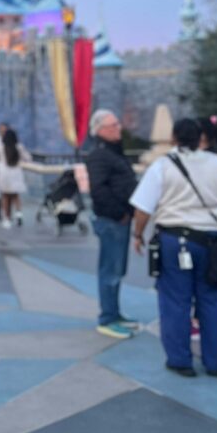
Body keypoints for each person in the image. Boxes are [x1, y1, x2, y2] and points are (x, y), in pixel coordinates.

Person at [130, 118, 217, 377]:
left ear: (174, 138)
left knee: (175, 302)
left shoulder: (162, 167)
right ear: (200, 138)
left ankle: (180, 360)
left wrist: (138, 235)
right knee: (214, 301)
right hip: (213, 242)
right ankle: (216, 362)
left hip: (174, 241)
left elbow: (143, 208)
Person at [85, 109, 139, 340]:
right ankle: (107, 317)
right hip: (111, 220)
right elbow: (98, 190)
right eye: (113, 125)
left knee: (117, 268)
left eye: (117, 124)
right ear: (100, 130)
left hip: (120, 219)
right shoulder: (99, 155)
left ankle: (114, 313)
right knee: (110, 269)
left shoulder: (113, 152)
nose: (118, 128)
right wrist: (120, 213)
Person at [0, 128, 30, 227]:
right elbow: (28, 158)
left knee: (5, 196)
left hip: (4, 173)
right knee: (15, 196)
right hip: (16, 173)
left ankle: (6, 218)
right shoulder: (19, 147)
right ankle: (19, 214)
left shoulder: (0, 147)